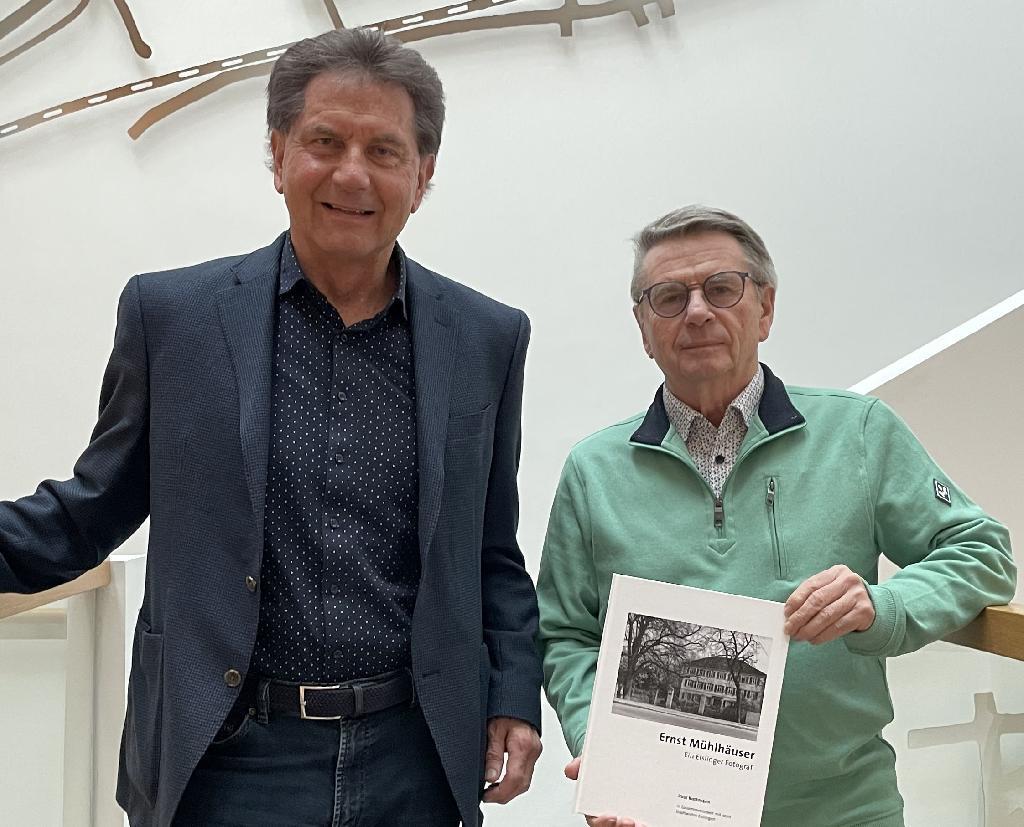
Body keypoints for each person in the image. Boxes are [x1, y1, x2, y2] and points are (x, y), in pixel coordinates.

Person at [0, 28, 542, 827]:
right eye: (325, 141)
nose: (352, 173)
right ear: (279, 154)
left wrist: (514, 693)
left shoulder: (486, 336)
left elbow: (490, 548)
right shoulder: (173, 319)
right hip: (229, 757)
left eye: (384, 150)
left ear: (422, 175)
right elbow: (90, 510)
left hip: (414, 760)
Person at [536, 205, 1016, 827]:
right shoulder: (593, 471)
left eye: (721, 288)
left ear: (765, 308)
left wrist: (884, 606)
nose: (697, 311)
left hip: (845, 810)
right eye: (669, 297)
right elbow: (565, 635)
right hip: (662, 815)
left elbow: (981, 552)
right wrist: (603, 747)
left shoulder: (858, 432)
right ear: (643, 327)